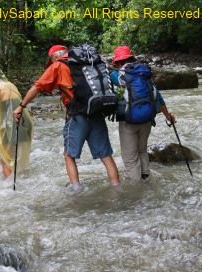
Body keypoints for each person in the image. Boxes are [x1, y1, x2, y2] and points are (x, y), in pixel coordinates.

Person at [13, 45, 120, 191]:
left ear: (54, 57)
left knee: (69, 155)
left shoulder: (58, 65)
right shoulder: (87, 64)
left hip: (77, 116)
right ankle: (117, 187)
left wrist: (21, 106)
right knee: (106, 155)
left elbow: (37, 87)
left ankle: (76, 190)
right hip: (96, 111)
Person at [110, 46, 176, 181]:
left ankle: (136, 193)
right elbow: (158, 97)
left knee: (130, 158)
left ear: (117, 62)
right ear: (132, 58)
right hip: (147, 119)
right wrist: (168, 117)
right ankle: (145, 179)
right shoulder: (145, 74)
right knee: (142, 150)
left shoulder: (116, 75)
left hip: (128, 121)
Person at [0, 63, 33, 177]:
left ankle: (7, 183)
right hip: (23, 124)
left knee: (6, 158)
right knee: (19, 157)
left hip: (9, 126)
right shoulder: (11, 85)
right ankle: (22, 179)